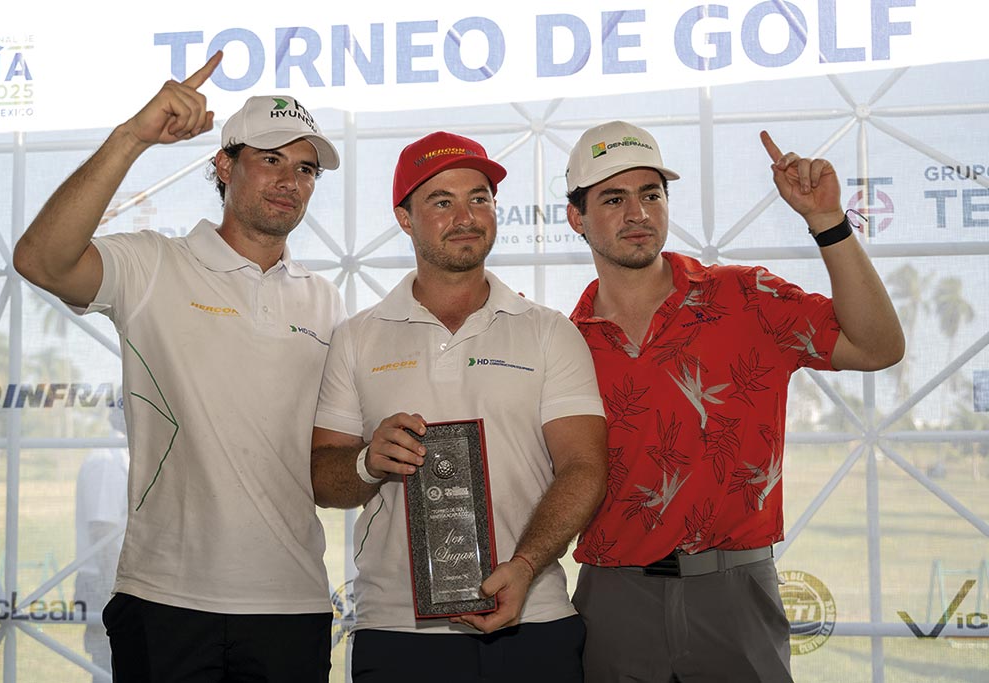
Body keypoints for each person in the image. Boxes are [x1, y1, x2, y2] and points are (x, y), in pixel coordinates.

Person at [13, 52, 344, 682]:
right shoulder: (152, 264)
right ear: (223, 165)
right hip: (165, 598)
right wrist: (132, 137)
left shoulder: (324, 299)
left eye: (305, 168)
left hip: (290, 601)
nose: (290, 180)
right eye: (270, 159)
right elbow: (40, 260)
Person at [563, 121, 905, 682]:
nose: (638, 213)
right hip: (614, 597)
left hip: (737, 592)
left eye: (651, 194)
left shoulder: (747, 295)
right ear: (577, 217)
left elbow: (878, 346)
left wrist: (827, 221)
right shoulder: (565, 341)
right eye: (613, 199)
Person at [310, 131, 609, 683]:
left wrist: (525, 566)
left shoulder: (548, 331)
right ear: (405, 219)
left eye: (479, 198)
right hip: (398, 629)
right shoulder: (357, 337)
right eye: (442, 201)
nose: (466, 217)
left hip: (534, 617)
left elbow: (584, 466)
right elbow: (325, 481)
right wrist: (368, 462)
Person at [74, 406, 129, 680]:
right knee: (108, 666)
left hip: (114, 581)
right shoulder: (107, 460)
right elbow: (102, 532)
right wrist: (117, 592)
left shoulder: (122, 456)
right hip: (103, 581)